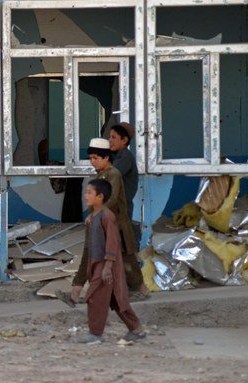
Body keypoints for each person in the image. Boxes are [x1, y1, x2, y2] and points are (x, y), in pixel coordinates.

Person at [70, 138, 148, 303]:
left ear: (106, 158)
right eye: (90, 158)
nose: (92, 162)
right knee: (89, 254)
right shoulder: (101, 174)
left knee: (128, 261)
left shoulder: (114, 174)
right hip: (102, 225)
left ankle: (141, 290)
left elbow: (110, 200)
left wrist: (95, 214)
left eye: (95, 158)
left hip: (116, 227)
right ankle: (75, 292)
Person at [76, 179, 146, 345]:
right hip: (98, 264)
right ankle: (136, 329)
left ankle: (95, 334)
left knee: (94, 298)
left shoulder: (107, 216)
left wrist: (107, 267)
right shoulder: (92, 217)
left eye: (89, 193)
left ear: (100, 196)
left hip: (107, 265)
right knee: (117, 300)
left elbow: (112, 243)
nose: (86, 196)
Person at [109, 122, 138, 217]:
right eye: (109, 137)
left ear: (124, 140)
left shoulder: (125, 157)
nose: (110, 141)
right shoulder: (116, 155)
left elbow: (110, 174)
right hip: (116, 205)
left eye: (113, 137)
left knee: (122, 230)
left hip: (121, 207)